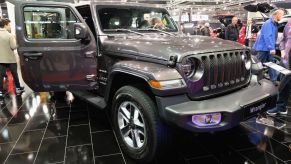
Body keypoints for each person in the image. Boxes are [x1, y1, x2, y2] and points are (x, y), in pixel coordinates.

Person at [253, 9, 285, 85]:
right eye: (281, 15)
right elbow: (268, 36)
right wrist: (271, 48)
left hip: (268, 47)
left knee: (271, 63)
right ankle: (257, 80)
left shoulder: (273, 23)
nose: (282, 17)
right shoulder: (268, 23)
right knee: (259, 64)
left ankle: (273, 80)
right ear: (276, 15)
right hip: (263, 48)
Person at [266, 18, 291, 116]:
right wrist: (282, 50)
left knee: (284, 84)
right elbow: (284, 39)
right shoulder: (289, 23)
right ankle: (281, 107)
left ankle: (281, 107)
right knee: (284, 85)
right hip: (286, 60)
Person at [0, 19, 24, 101]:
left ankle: (0, 93)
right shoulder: (9, 35)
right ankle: (18, 88)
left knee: (1, 76)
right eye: (9, 25)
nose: (10, 26)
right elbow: (13, 47)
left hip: (0, 59)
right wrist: (18, 42)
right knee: (14, 74)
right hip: (10, 59)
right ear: (5, 25)